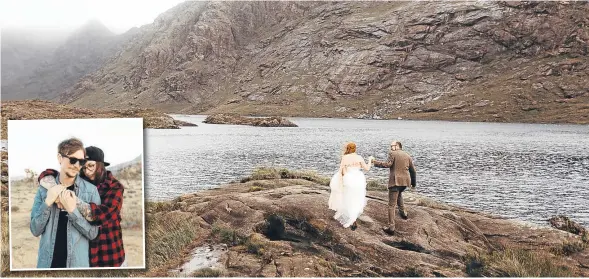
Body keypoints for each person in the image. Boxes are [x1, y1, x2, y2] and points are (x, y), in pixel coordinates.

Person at [38, 146, 127, 267]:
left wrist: (70, 199)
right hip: (86, 255)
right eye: (84, 167)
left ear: (100, 165)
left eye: (91, 166)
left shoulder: (115, 187)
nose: (87, 171)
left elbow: (101, 216)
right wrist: (55, 190)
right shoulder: (81, 182)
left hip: (109, 253)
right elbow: (48, 173)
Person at [30, 138, 100, 268]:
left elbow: (93, 234)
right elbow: (35, 230)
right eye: (73, 160)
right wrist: (48, 202)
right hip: (47, 266)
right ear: (60, 158)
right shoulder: (44, 188)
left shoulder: (91, 191)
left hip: (76, 268)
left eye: (81, 161)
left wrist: (73, 211)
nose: (76, 165)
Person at [372, 141, 416, 235]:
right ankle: (403, 213)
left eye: (392, 146)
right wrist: (413, 183)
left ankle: (391, 227)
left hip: (395, 181)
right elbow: (413, 171)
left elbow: (388, 164)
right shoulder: (407, 155)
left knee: (391, 205)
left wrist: (374, 162)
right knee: (399, 193)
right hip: (405, 182)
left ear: (397, 146)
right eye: (391, 146)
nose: (391, 147)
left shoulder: (392, 153)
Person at [328, 142, 372, 230]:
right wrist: (370, 160)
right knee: (357, 198)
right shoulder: (359, 157)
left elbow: (342, 171)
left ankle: (352, 219)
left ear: (348, 149)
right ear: (355, 149)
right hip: (359, 180)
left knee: (348, 198)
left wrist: (342, 181)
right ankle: (353, 217)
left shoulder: (345, 158)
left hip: (349, 179)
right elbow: (367, 168)